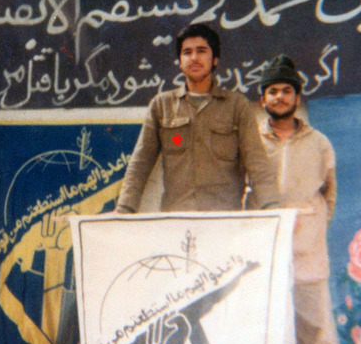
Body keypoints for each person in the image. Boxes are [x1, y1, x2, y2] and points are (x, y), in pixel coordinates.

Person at [254, 54, 346, 344]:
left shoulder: (319, 143)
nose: (279, 97)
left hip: (308, 250)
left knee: (313, 326)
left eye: (286, 91)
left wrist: (311, 226)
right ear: (263, 98)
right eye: (272, 91)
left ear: (297, 97)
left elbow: (330, 195)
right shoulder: (251, 140)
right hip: (264, 250)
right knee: (263, 325)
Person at [116, 23, 279, 213]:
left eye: (201, 51)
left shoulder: (236, 105)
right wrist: (124, 208)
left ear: (215, 59)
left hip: (224, 219)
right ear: (180, 61)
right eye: (187, 52)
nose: (194, 58)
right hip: (177, 218)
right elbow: (140, 163)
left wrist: (273, 207)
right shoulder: (162, 106)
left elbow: (257, 163)